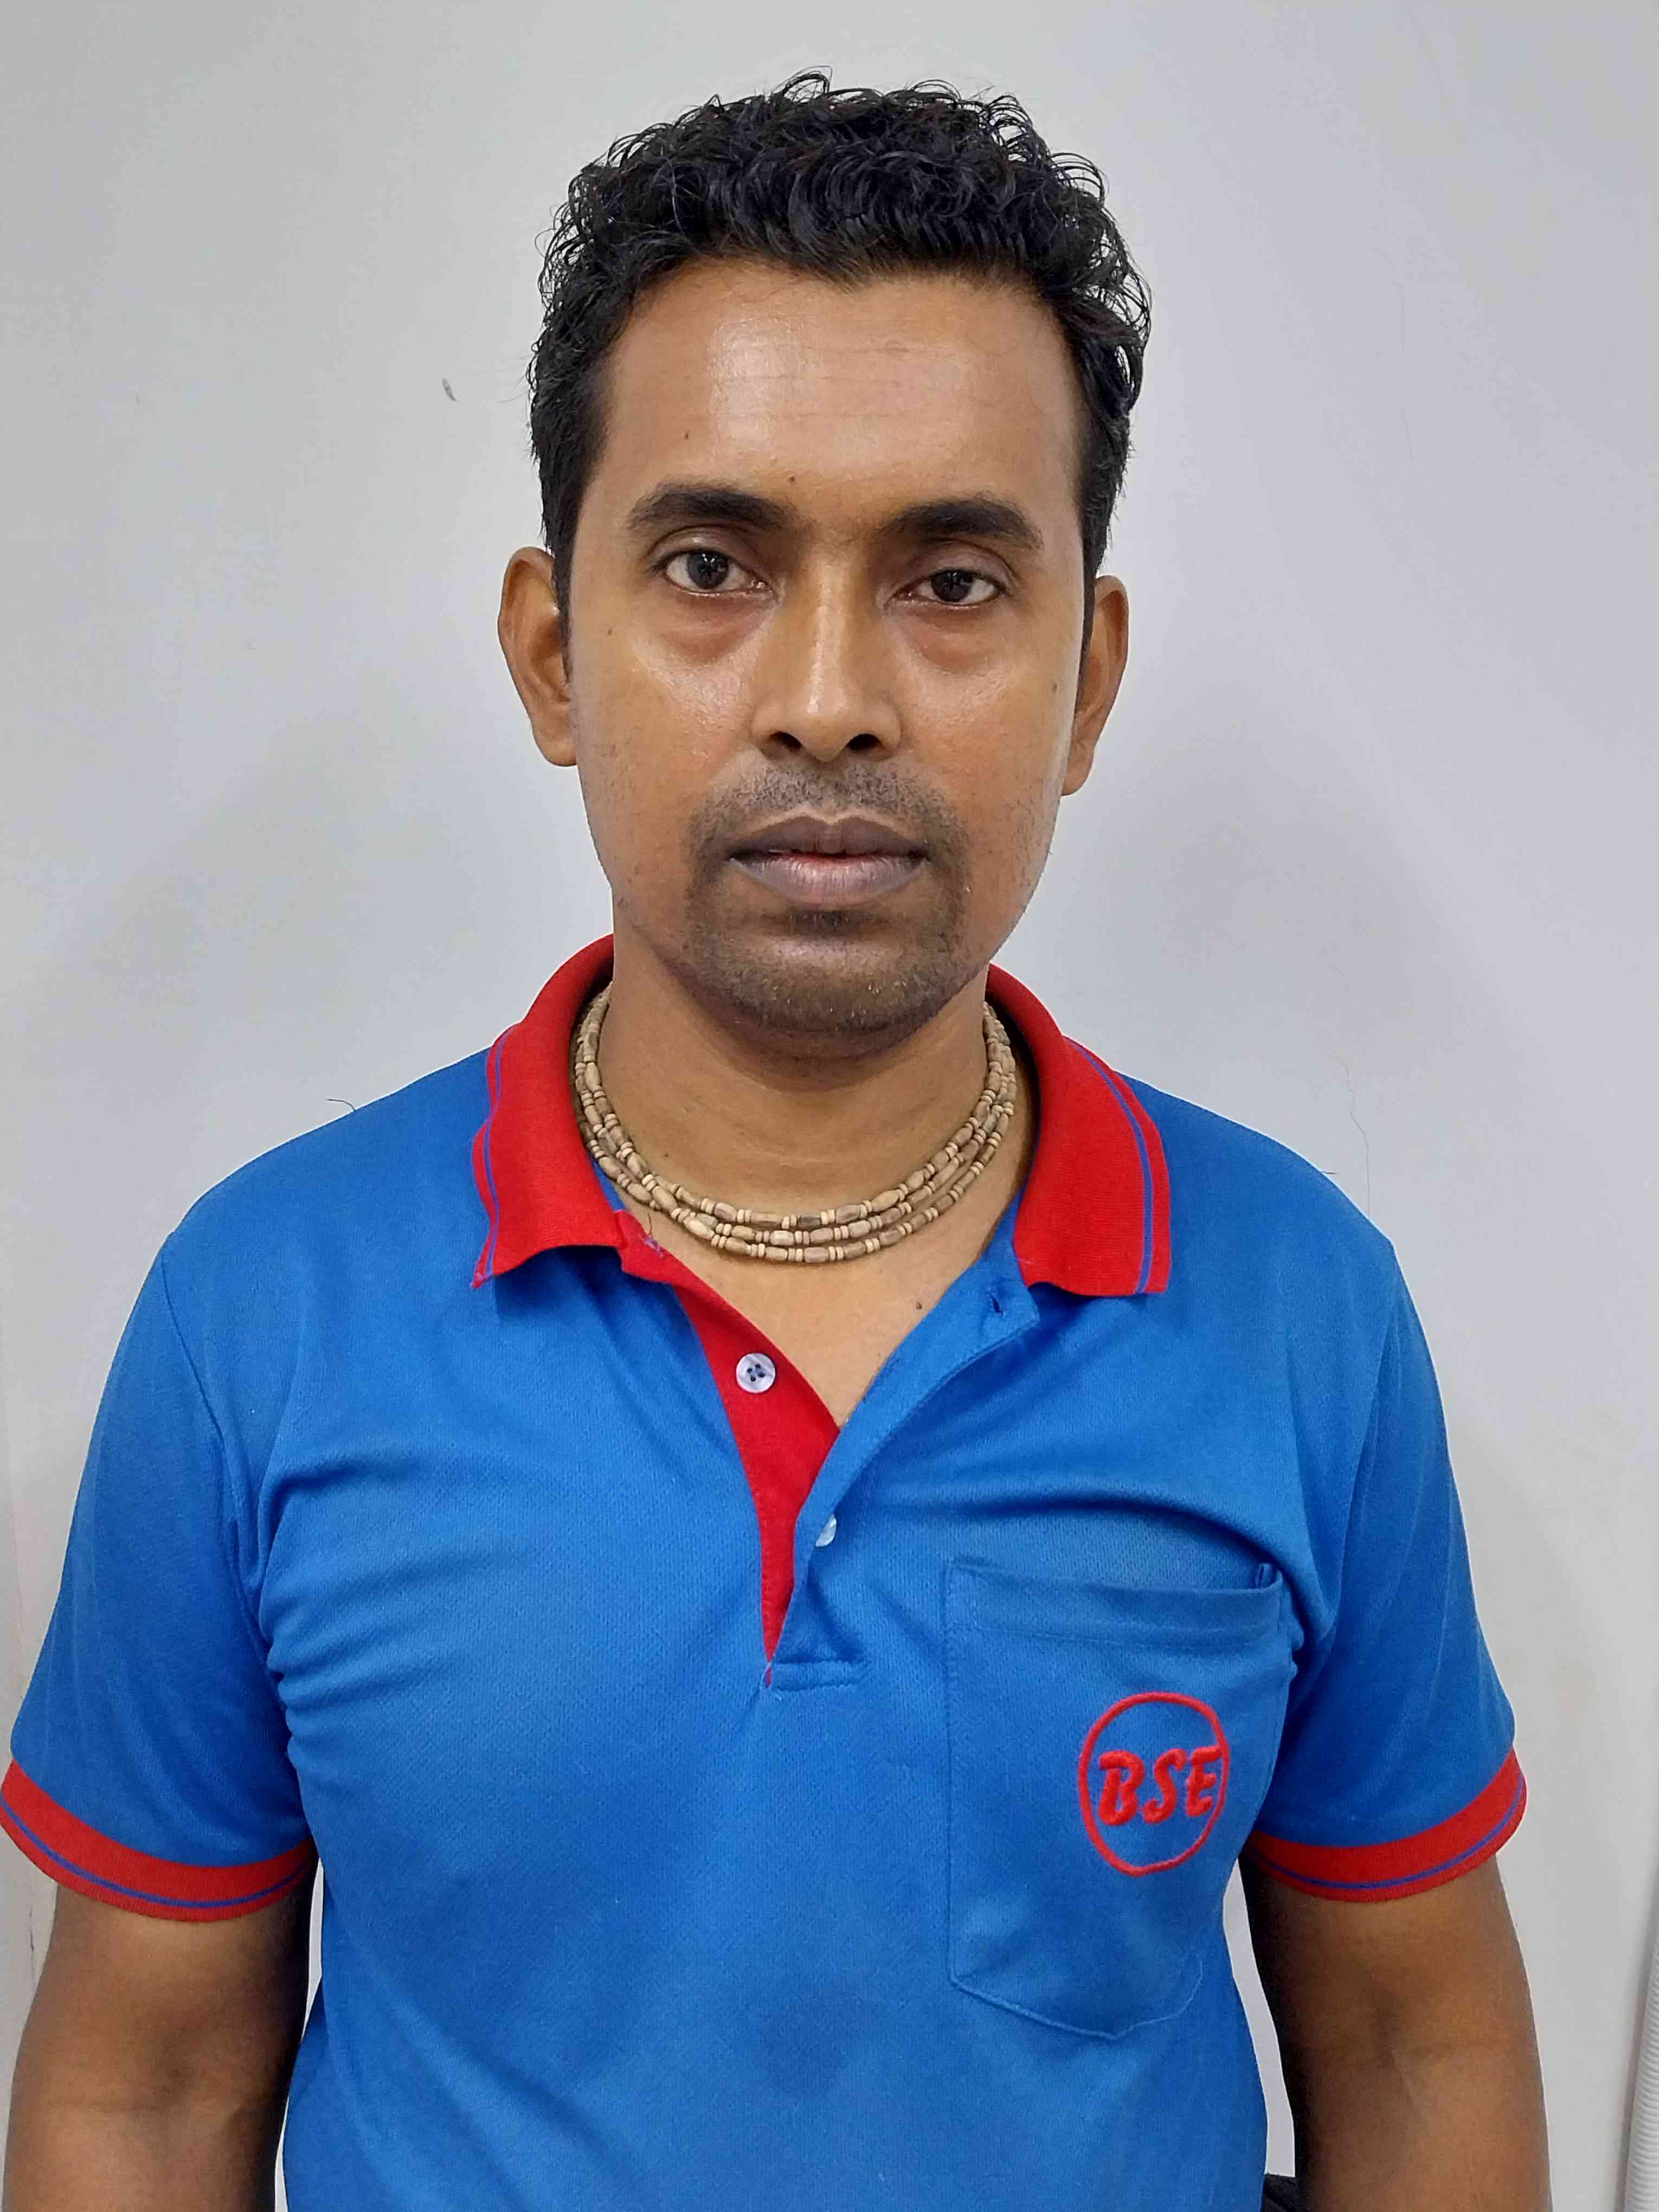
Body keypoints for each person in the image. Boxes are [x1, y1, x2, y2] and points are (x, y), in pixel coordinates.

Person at [1, 71, 1549, 2212]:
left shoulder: (1295, 1304)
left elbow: (1409, 2038)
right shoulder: (264, 1312)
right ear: (555, 652)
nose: (830, 696)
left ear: (1089, 680)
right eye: (714, 565)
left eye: (953, 580)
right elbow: (147, 2088)